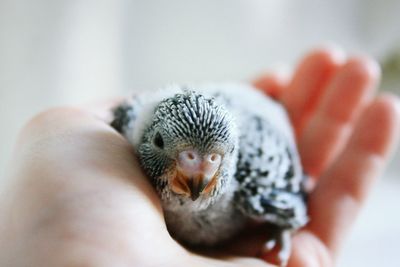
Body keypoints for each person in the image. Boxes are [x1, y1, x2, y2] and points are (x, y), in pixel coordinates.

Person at [0, 48, 398, 267]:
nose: (194, 179)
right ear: (146, 137)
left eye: (212, 163)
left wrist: (282, 227)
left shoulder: (256, 176)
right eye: (183, 157)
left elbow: (291, 202)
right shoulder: (127, 123)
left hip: (258, 112)